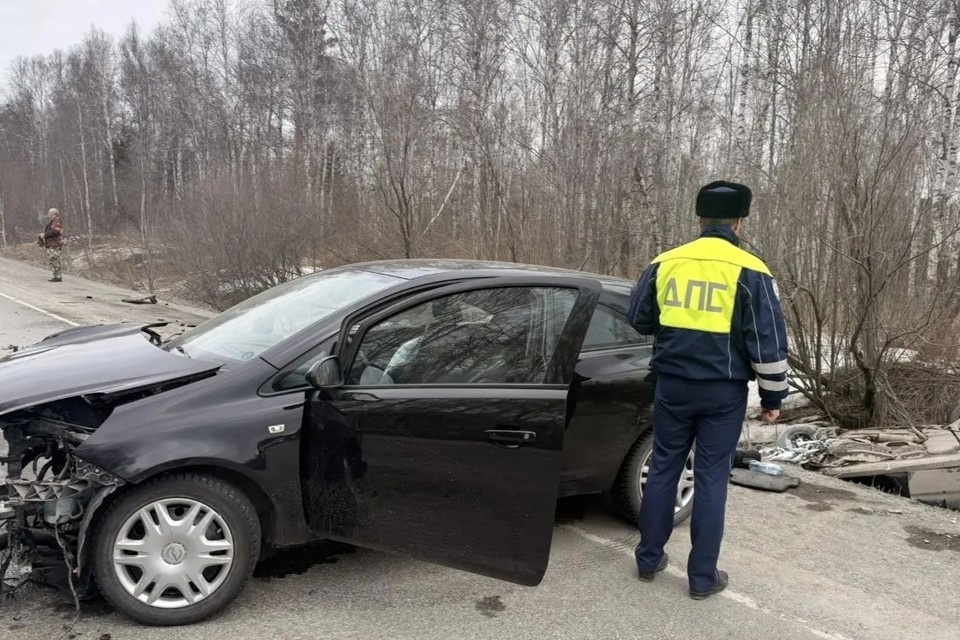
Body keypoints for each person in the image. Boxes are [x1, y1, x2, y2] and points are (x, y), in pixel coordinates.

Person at [626, 180, 788, 600]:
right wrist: (772, 399)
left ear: (699, 218)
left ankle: (648, 560)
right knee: (713, 478)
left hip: (672, 386)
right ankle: (702, 579)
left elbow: (639, 318)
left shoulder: (666, 262)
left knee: (664, 467)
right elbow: (767, 344)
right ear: (739, 220)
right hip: (723, 392)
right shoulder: (751, 269)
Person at [38, 208, 64, 282]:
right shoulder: (53, 222)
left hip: (55, 243)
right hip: (51, 243)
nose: (48, 216)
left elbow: (54, 232)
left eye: (49, 214)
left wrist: (45, 235)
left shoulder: (57, 221)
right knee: (52, 259)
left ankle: (58, 276)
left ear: (54, 214)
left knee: (54, 259)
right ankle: (56, 275)